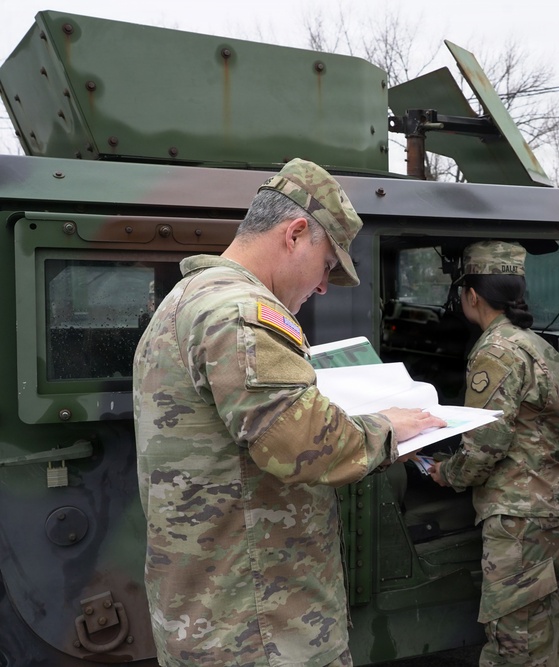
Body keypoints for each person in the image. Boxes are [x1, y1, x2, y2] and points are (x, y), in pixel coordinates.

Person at [132, 158, 445, 667]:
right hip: (261, 629)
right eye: (327, 266)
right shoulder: (241, 312)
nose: (323, 287)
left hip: (219, 611)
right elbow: (301, 443)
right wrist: (390, 428)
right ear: (296, 233)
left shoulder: (186, 299)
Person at [427, 240, 559, 667]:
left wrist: (447, 472)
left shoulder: (495, 352)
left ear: (471, 296)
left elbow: (484, 445)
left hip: (519, 520)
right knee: (557, 638)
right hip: (554, 509)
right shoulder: (540, 346)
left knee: (516, 645)